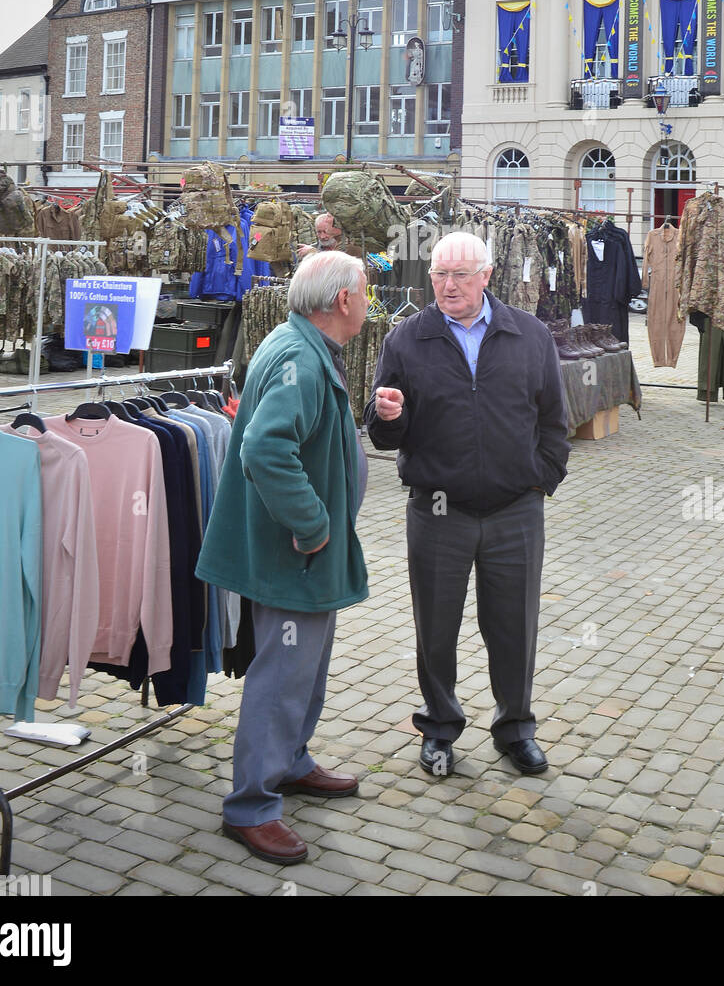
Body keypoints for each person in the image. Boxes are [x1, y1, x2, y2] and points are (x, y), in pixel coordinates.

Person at [365, 231, 569, 778]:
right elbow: (387, 433)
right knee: (435, 628)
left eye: (459, 275)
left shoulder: (528, 335)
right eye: (439, 275)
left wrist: (541, 480)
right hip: (437, 510)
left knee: (514, 626)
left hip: (515, 510)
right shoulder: (407, 340)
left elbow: (554, 418)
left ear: (486, 276)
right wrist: (385, 416)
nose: (448, 285)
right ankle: (439, 727)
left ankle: (515, 729)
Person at [195, 251, 370, 864]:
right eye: (365, 290)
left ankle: (290, 761)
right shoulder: (300, 355)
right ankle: (251, 806)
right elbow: (267, 451)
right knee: (282, 678)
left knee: (305, 670)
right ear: (343, 300)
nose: (370, 300)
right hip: (292, 554)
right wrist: (315, 526)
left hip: (300, 556)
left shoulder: (299, 343)